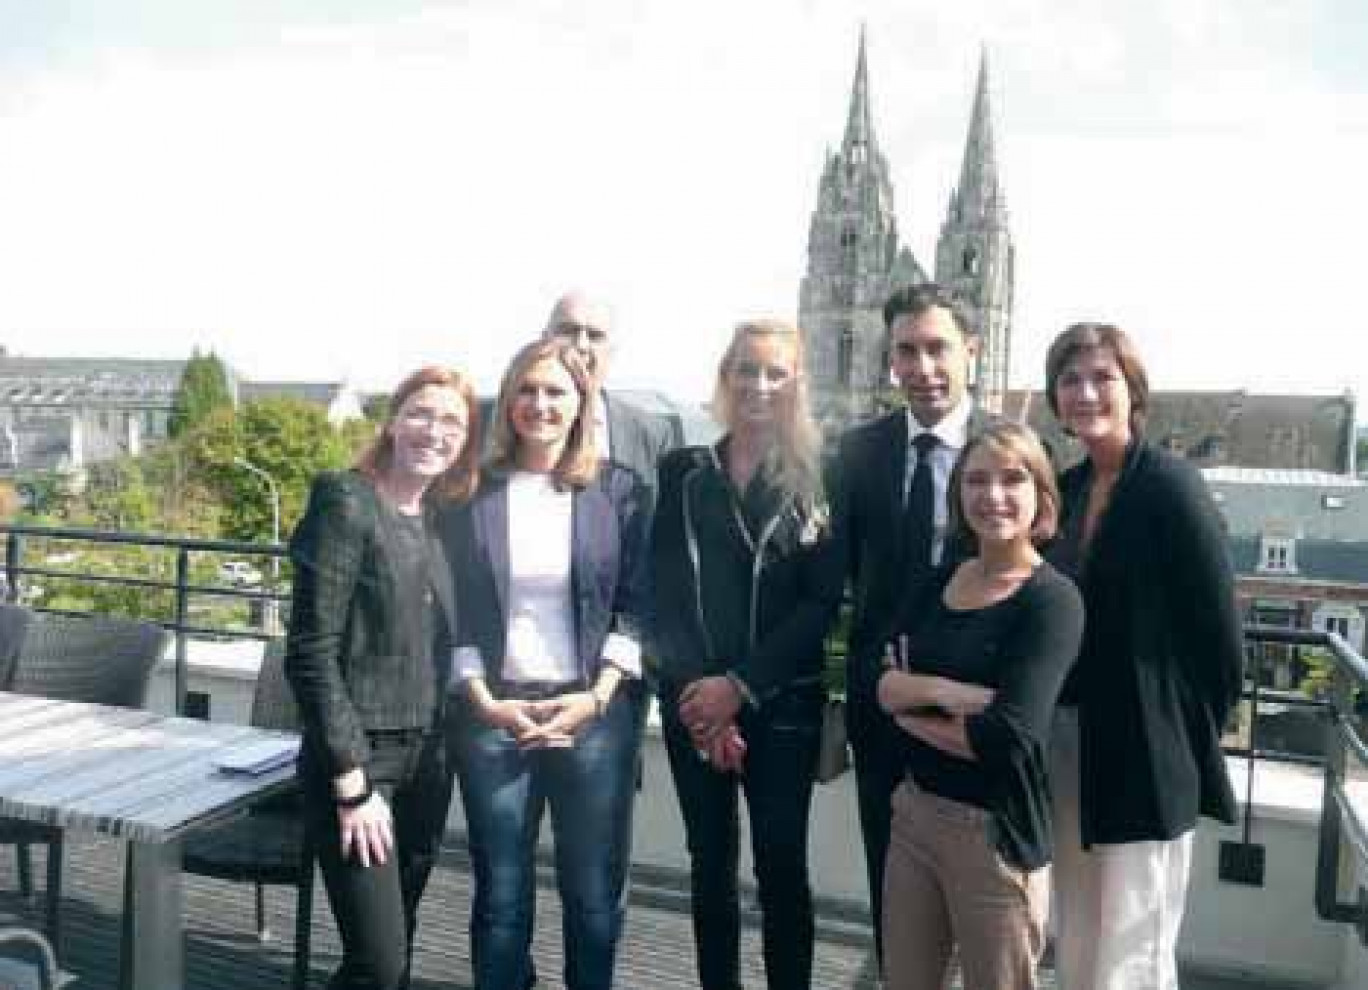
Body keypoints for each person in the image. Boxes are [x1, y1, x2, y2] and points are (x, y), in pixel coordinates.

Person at [442, 337, 649, 990]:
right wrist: (484, 700)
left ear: (581, 402)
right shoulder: (472, 493)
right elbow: (455, 610)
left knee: (592, 896)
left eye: (555, 391)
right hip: (492, 715)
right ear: (507, 402)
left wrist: (596, 697)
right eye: (526, 391)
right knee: (500, 897)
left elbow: (638, 604)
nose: (540, 404)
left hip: (592, 715)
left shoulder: (618, 489)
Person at [1043, 323, 1243, 990]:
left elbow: (1220, 641)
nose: (1087, 392)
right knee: (1073, 929)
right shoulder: (1063, 491)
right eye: (1071, 379)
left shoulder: (1170, 488)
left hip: (1146, 754)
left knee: (1135, 944)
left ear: (1133, 391)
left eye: (1103, 378)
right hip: (1069, 743)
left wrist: (1179, 740)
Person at [651, 319, 843, 990]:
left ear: (796, 384)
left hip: (782, 703)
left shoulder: (820, 478)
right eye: (746, 370)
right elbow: (665, 594)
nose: (759, 385)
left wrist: (740, 686)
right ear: (725, 377)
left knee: (782, 868)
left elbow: (820, 605)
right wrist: (705, 704)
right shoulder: (683, 472)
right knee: (709, 865)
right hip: (694, 704)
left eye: (776, 372)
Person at [285, 365, 479, 990]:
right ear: (393, 420)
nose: (434, 431)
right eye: (421, 413)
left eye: (452, 421)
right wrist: (351, 782)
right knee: (379, 961)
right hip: (362, 763)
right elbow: (310, 652)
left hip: (430, 758)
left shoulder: (441, 520)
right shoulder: (348, 502)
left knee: (399, 940)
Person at [876, 423, 1083, 990]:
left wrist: (909, 702)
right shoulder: (937, 583)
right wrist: (945, 694)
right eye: (977, 480)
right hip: (915, 816)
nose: (993, 495)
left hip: (995, 833)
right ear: (959, 494)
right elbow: (882, 690)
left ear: (1042, 495)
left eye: (1012, 479)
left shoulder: (1052, 601)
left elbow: (1008, 739)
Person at [832, 282, 995, 960]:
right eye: (907, 351)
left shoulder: (1009, 449)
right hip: (882, 716)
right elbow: (832, 584)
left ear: (971, 353)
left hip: (976, 717)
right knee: (890, 898)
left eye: (938, 349)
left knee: (983, 907)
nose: (923, 368)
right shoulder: (859, 451)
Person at [542, 290, 684, 503]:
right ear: (544, 339)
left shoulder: (654, 436)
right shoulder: (491, 427)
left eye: (595, 335)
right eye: (568, 331)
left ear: (612, 350)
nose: (581, 345)